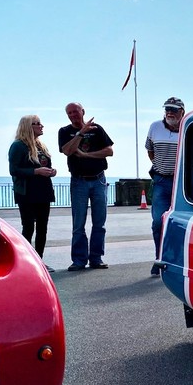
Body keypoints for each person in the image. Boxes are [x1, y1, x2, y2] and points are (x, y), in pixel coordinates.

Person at [59, 102, 114, 271]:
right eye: (69, 113)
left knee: (99, 222)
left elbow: (109, 151)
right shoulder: (64, 131)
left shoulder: (97, 129)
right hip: (79, 181)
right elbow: (67, 150)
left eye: (75, 111)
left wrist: (86, 155)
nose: (73, 115)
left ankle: (96, 258)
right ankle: (79, 260)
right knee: (78, 223)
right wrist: (81, 133)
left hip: (98, 180)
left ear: (83, 111)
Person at [9, 115, 57, 272]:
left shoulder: (41, 146)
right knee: (28, 227)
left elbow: (44, 165)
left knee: (43, 227)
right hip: (27, 192)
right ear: (27, 127)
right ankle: (27, 261)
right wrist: (36, 171)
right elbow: (14, 170)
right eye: (36, 124)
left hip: (43, 191)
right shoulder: (18, 146)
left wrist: (51, 171)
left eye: (40, 123)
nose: (41, 126)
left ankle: (39, 260)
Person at [146, 96, 184, 278]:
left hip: (181, 184)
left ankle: (177, 259)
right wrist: (161, 167)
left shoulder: (188, 128)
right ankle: (159, 258)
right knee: (157, 222)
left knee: (180, 223)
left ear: (181, 111)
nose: (169, 112)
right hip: (161, 181)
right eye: (167, 109)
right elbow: (150, 151)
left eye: (174, 109)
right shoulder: (155, 127)